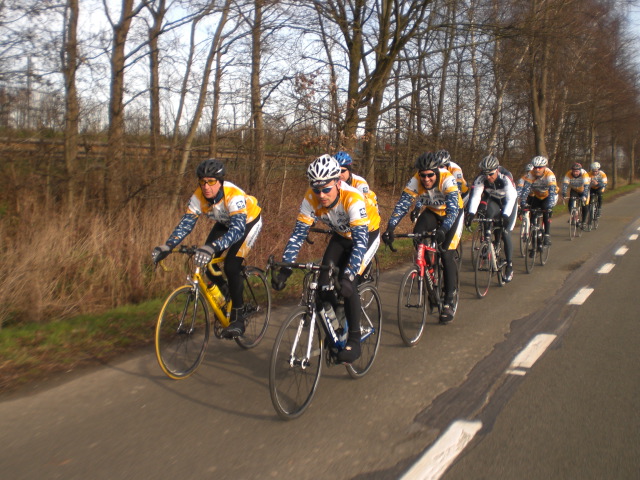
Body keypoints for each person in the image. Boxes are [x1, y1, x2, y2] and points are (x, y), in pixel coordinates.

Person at [271, 154, 381, 363]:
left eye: (326, 189)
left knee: (349, 282)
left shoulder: (353, 198)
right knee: (322, 285)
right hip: (341, 236)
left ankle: (355, 340)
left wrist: (348, 275)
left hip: (366, 236)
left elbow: (359, 243)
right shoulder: (310, 198)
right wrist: (286, 268)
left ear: (338, 183)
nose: (321, 195)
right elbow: (298, 235)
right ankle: (337, 326)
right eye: (316, 189)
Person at [151, 158, 263, 339]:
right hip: (225, 222)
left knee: (231, 266)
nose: (206, 186)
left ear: (220, 182)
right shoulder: (198, 197)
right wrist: (168, 245)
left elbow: (237, 230)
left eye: (211, 181)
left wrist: (212, 246)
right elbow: (186, 224)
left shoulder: (233, 195)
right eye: (202, 181)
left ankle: (239, 317)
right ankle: (228, 295)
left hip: (247, 223)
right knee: (208, 263)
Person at [382, 151, 464, 324]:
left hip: (453, 215)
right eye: (423, 175)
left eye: (430, 175)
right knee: (417, 235)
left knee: (447, 253)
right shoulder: (415, 180)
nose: (426, 179)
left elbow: (452, 210)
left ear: (437, 172)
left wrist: (444, 229)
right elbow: (403, 204)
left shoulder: (447, 179)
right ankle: (427, 271)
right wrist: (390, 227)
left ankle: (449, 299)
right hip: (432, 212)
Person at [465, 155, 517, 282]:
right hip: (493, 200)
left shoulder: (505, 177)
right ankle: (489, 241)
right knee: (487, 216)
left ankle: (509, 265)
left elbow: (511, 199)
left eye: (491, 174)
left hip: (508, 202)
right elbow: (476, 196)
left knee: (505, 231)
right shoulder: (481, 178)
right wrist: (471, 213)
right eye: (485, 174)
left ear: (497, 170)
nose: (488, 177)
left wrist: (505, 215)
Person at [410, 149, 468, 222]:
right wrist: (417, 207)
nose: (439, 169)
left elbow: (456, 192)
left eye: (442, 166)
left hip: (463, 191)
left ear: (447, 165)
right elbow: (425, 192)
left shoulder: (456, 169)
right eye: (437, 166)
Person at [519, 155, 558, 246]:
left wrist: (550, 205)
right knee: (532, 218)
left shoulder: (549, 174)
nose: (537, 170)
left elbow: (552, 190)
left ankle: (547, 234)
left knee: (545, 210)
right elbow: (526, 189)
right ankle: (534, 245)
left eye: (540, 167)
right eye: (535, 167)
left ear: (544, 167)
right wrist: (523, 202)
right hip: (537, 196)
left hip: (548, 196)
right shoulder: (531, 174)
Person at [561, 162, 590, 226]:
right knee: (570, 203)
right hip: (574, 189)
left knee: (585, 205)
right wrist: (564, 194)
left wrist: (584, 195)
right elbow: (565, 185)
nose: (575, 173)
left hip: (583, 190)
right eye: (573, 171)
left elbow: (586, 186)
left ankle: (584, 221)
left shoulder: (584, 174)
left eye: (576, 171)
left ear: (580, 170)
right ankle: (574, 216)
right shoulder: (568, 174)